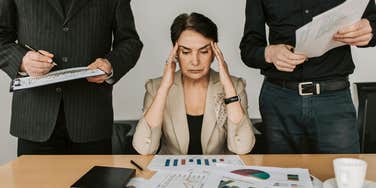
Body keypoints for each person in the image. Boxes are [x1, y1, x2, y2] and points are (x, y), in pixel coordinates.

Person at [0, 0, 143, 155]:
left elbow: (130, 42)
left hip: (91, 120)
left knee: (95, 180)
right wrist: (22, 60)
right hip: (34, 119)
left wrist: (111, 64)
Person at [240, 0, 375, 154]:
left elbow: (373, 22)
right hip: (279, 101)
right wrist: (269, 53)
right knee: (282, 174)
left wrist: (370, 31)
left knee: (345, 174)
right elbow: (248, 48)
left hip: (334, 102)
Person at [133, 12, 255, 155]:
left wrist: (228, 85)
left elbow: (243, 147)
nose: (195, 61)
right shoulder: (155, 87)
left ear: (215, 53)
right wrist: (164, 88)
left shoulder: (235, 86)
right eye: (186, 52)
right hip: (171, 174)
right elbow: (144, 148)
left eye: (204, 51)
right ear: (175, 53)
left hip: (217, 174)